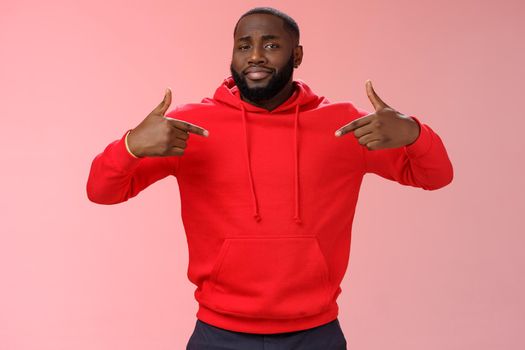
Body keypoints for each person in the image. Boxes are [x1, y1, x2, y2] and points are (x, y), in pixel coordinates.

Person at [86, 6, 453, 350]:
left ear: (297, 56)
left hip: (315, 333)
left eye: (271, 45)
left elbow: (435, 176)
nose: (256, 55)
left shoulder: (344, 126)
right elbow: (102, 191)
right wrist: (132, 144)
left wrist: (415, 134)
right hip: (218, 334)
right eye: (244, 45)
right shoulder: (190, 126)